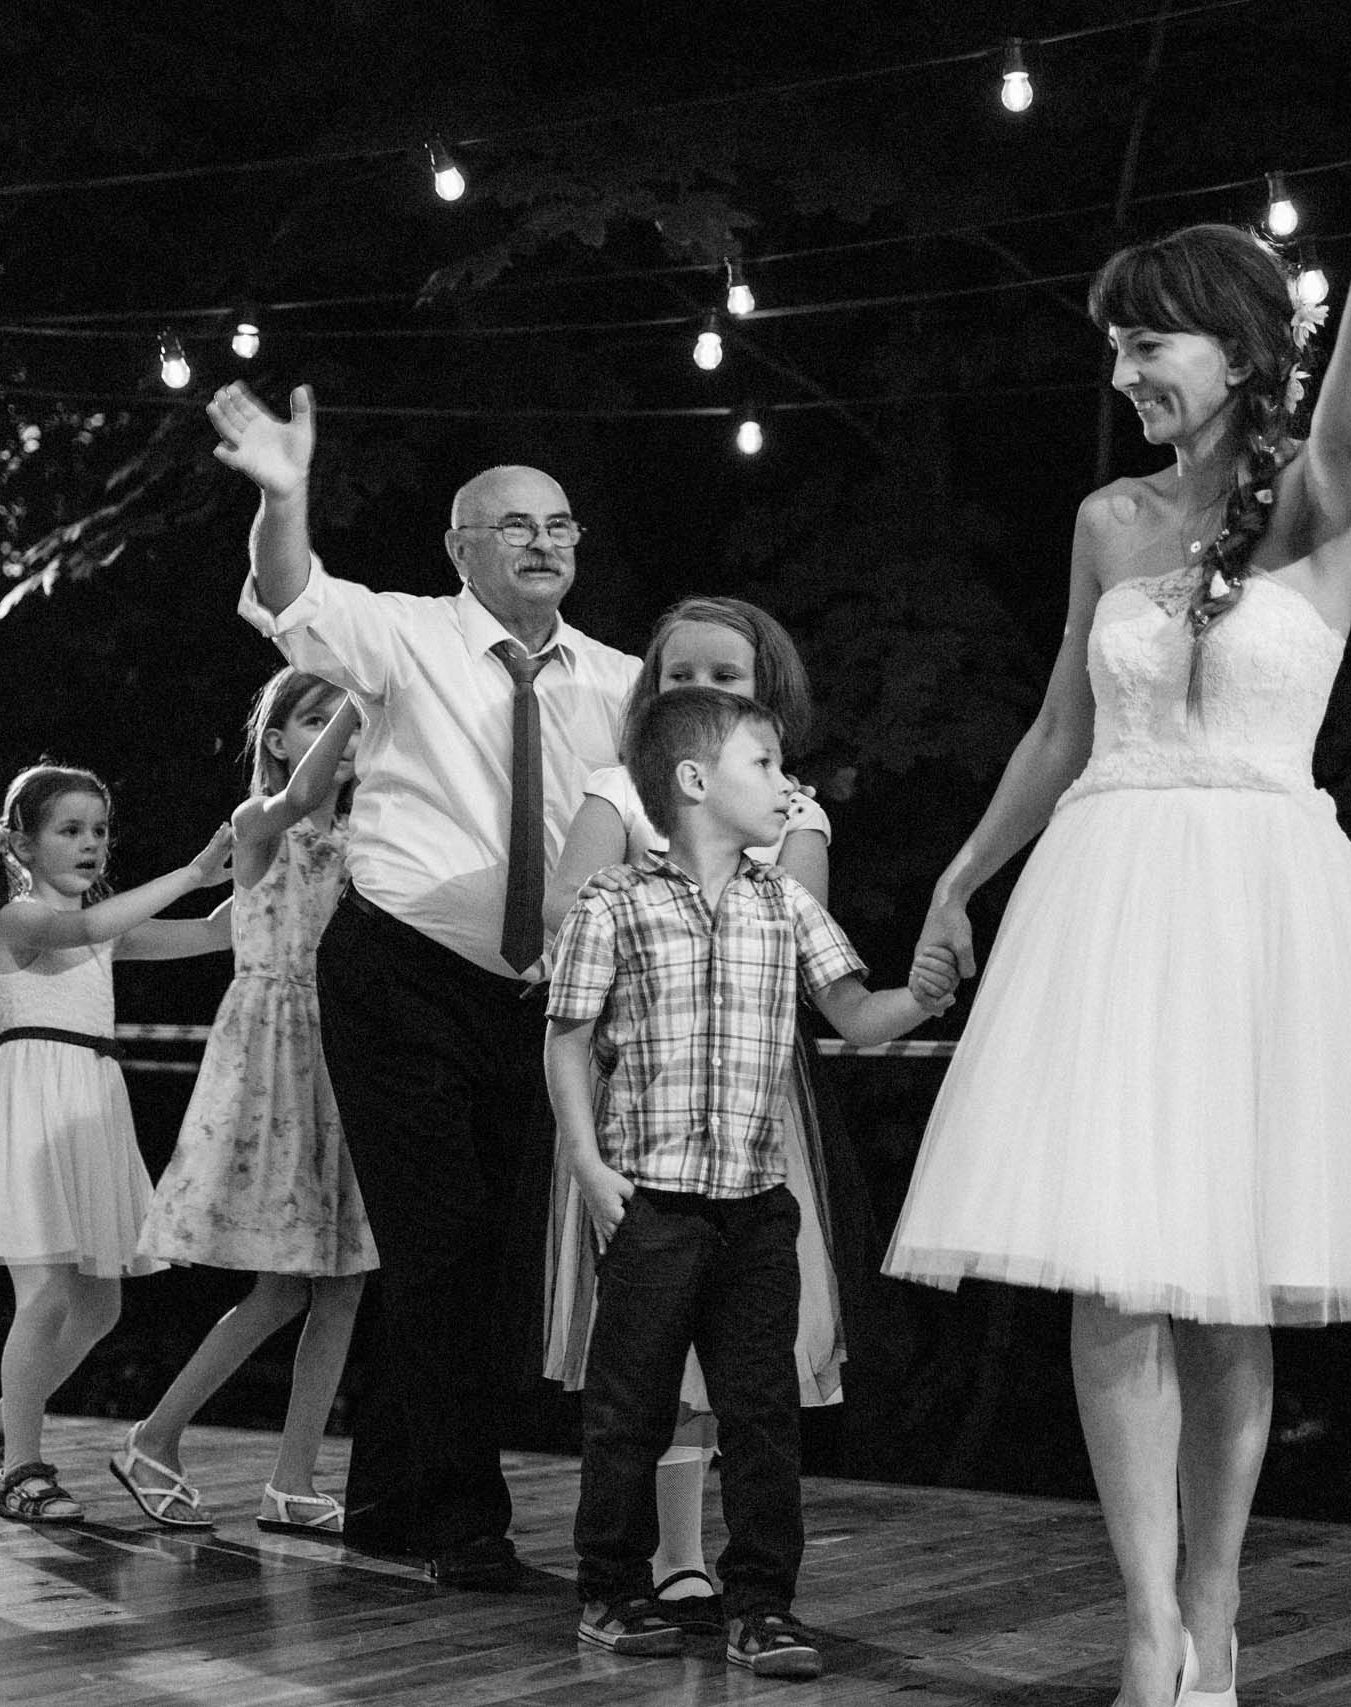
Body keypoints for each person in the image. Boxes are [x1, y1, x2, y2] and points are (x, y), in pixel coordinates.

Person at [883, 142, 1351, 1707]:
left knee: (1229, 1289)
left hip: (1256, 914)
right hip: (1107, 908)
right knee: (1112, 1278)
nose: (1125, 373)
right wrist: (962, 875)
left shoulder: (1307, 505)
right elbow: (1059, 728)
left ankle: (1218, 1601)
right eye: (1114, 345)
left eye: (1147, 340)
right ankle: (1147, 1620)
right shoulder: (1107, 518)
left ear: (1236, 347)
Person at [209, 380, 639, 1586]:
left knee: (481, 1256)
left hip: (537, 998)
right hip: (397, 973)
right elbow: (290, 595)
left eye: (558, 525)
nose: (542, 543)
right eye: (515, 526)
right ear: (460, 548)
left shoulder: (620, 681)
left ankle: (390, 1499)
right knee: (440, 1238)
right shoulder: (405, 635)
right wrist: (284, 495)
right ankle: (463, 1524)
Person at [547, 685, 957, 1678]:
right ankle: (612, 1589)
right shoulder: (614, 901)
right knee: (629, 1409)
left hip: (755, 1208)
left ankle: (762, 1605)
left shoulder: (785, 903)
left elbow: (853, 1014)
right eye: (764, 764)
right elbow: (566, 1042)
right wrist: (591, 1168)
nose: (787, 784)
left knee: (762, 1414)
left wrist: (919, 997)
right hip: (650, 1201)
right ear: (695, 781)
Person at [540, 596, 847, 1625]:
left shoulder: (788, 810)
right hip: (642, 1098)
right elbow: (566, 910)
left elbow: (802, 935)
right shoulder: (618, 792)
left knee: (745, 1364)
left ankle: (745, 1581)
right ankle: (663, 1560)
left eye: (726, 677)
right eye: (681, 675)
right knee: (639, 1355)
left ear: (766, 695)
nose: (701, 691)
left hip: (749, 1108)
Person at [0, 763, 234, 1524]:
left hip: (90, 1100)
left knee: (100, 1305)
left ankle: (7, 1417)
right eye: (70, 830)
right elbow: (91, 927)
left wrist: (271, 861)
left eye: (99, 829)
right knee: (48, 1294)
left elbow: (214, 932)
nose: (92, 843)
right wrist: (194, 870)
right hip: (33, 1101)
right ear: (22, 845)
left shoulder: (102, 925)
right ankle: (21, 1470)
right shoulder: (20, 920)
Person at [115, 669, 376, 1534]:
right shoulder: (261, 821)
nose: (340, 735)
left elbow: (211, 930)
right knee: (284, 1285)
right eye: (317, 719)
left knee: (342, 1284)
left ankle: (292, 1479)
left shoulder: (367, 838)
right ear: (277, 739)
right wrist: (368, 687)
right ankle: (153, 1435)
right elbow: (296, 803)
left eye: (346, 719)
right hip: (276, 1055)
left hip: (342, 1054)